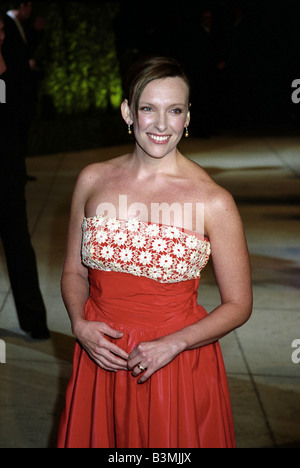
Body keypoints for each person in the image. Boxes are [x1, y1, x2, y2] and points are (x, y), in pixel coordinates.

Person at [57, 56, 252, 448]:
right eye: (148, 109)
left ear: (187, 116)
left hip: (175, 364)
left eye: (174, 110)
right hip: (102, 356)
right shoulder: (92, 180)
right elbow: (74, 273)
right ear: (128, 112)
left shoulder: (214, 201)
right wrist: (79, 324)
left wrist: (175, 343)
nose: (162, 125)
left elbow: (239, 304)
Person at [0, 10, 49, 340]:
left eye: (2, 30)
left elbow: (18, 116)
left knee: (19, 245)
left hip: (8, 170)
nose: (1, 35)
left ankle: (34, 320)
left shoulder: (10, 63)